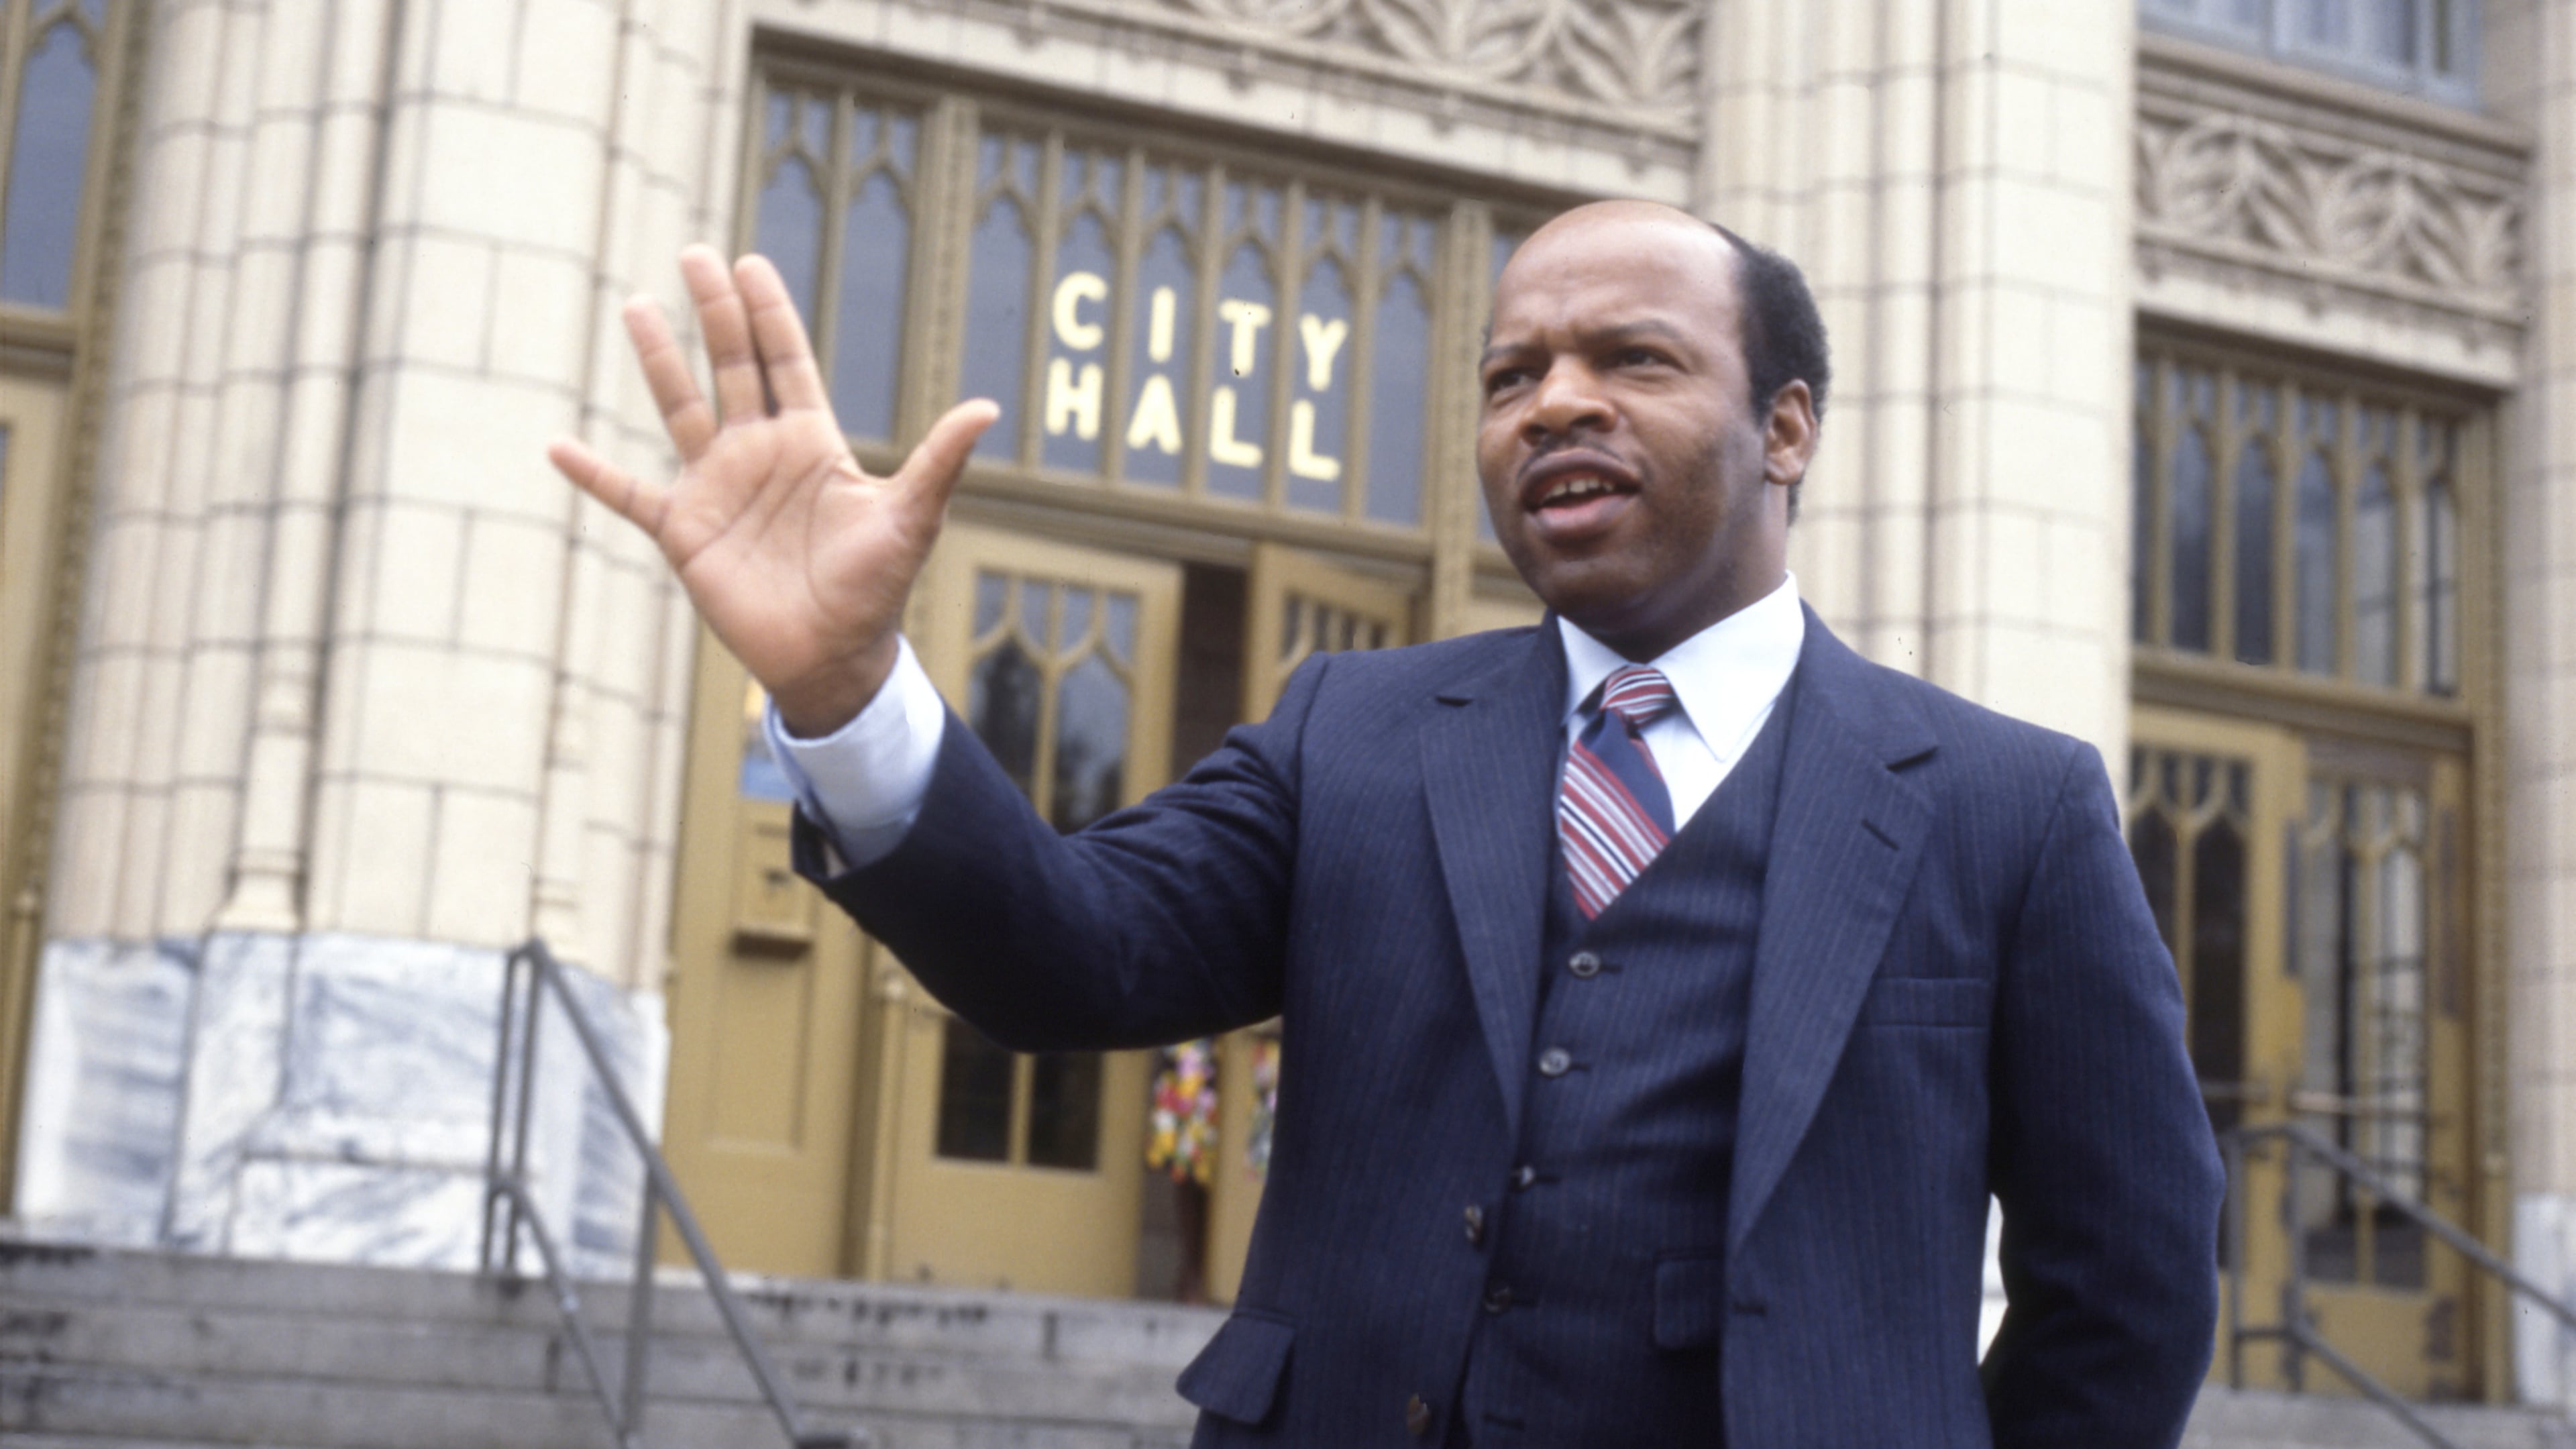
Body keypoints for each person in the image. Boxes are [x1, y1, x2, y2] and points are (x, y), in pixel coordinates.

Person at [550, 199, 2222, 1447]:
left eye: (1630, 359)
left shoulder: (2010, 806)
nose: (1553, 401)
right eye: (1510, 374)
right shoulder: (1352, 734)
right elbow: (1069, 956)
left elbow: (2127, 1282)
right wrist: (850, 690)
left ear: (1786, 428)